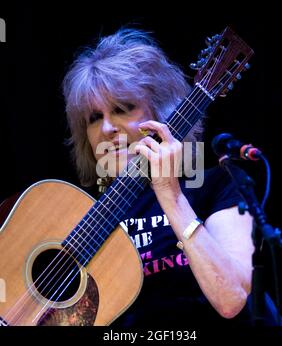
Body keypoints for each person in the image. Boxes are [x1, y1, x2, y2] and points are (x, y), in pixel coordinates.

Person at [62, 27, 255, 327]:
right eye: (94, 118)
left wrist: (170, 194)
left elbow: (230, 299)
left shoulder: (218, 185)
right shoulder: (79, 219)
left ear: (161, 113)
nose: (108, 129)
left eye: (122, 109)